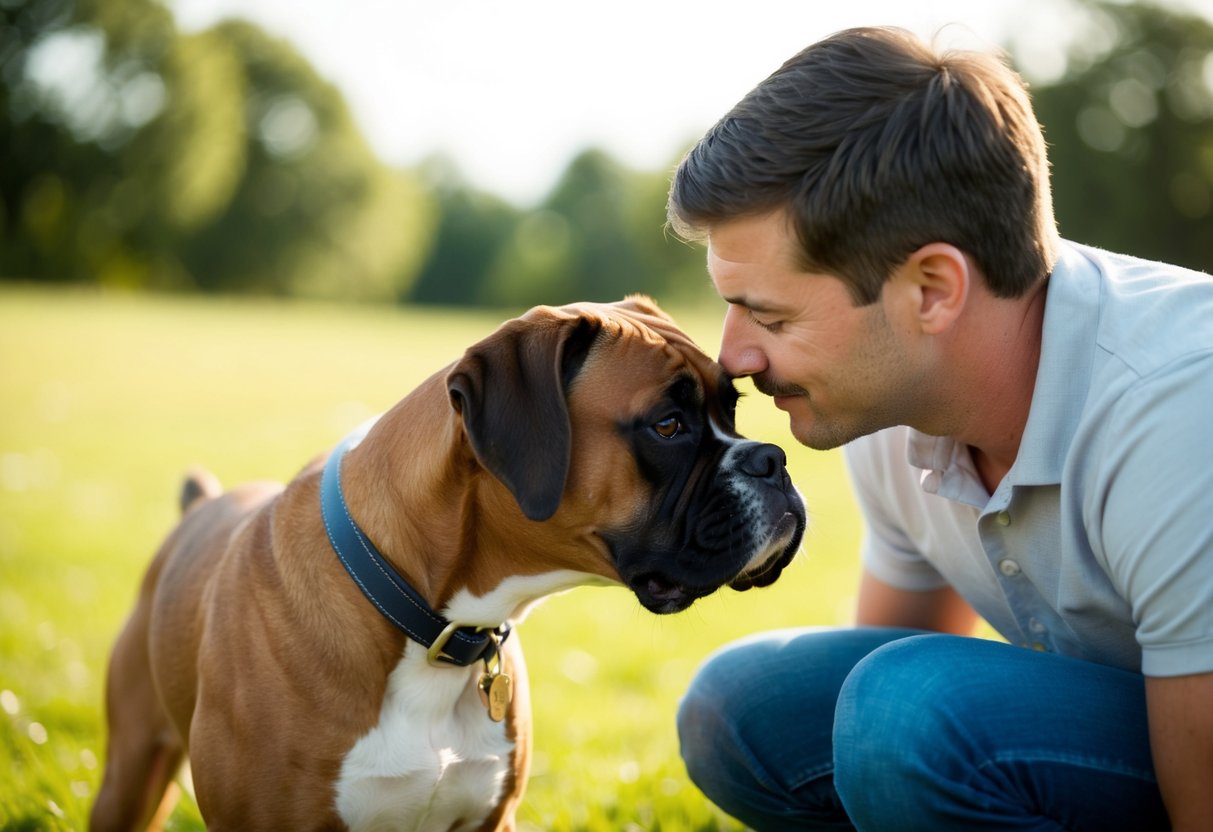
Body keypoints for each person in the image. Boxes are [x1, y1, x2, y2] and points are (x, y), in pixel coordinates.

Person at [666, 25, 1213, 831]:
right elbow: (875, 702)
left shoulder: (1177, 410)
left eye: (770, 317)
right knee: (747, 710)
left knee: (910, 713)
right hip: (1140, 725)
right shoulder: (890, 405)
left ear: (930, 290)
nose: (733, 358)